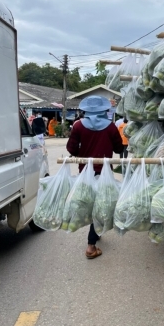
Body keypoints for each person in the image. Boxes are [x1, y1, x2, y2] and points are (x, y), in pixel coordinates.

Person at [66, 95, 124, 259]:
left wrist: (81, 153)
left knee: (91, 203)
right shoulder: (111, 127)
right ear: (104, 110)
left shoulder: (78, 126)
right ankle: (91, 246)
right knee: (99, 204)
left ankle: (95, 234)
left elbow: (71, 148)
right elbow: (119, 149)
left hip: (85, 172)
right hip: (104, 173)